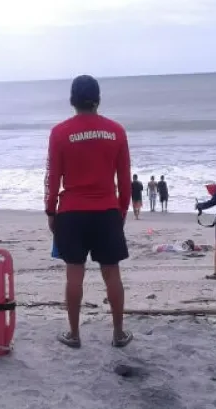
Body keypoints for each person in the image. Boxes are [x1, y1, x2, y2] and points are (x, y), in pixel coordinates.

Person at [45, 74, 133, 349]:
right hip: (106, 210)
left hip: (71, 212)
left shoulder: (60, 132)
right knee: (112, 274)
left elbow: (53, 177)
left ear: (72, 100)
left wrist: (51, 211)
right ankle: (118, 333)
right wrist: (122, 211)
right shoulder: (116, 131)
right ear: (98, 99)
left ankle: (74, 334)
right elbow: (125, 177)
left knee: (74, 273)